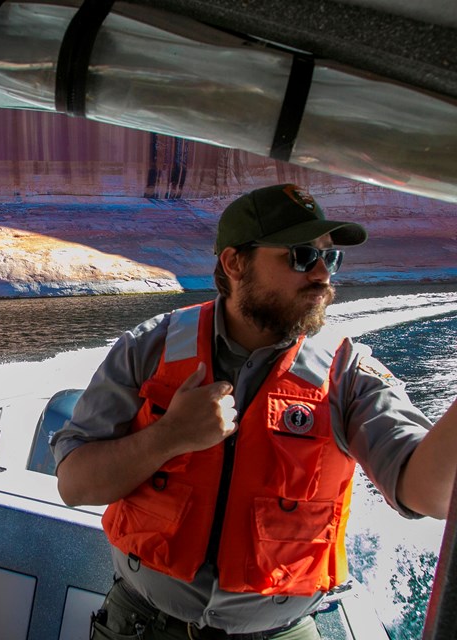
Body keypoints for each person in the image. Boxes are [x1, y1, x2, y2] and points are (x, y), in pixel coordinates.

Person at [50, 183, 457, 640]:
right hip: (141, 623)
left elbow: (432, 495)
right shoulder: (149, 348)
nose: (324, 274)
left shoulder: (347, 375)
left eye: (331, 258)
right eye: (302, 255)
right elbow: (75, 484)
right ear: (235, 263)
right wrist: (169, 436)